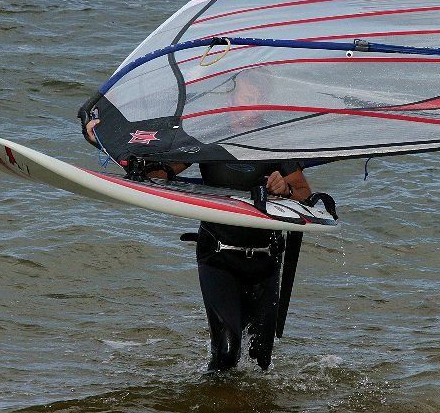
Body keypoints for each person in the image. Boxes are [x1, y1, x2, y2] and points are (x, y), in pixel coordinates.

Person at [83, 118, 312, 372]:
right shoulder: (209, 134)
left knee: (260, 362)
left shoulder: (273, 138)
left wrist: (286, 188)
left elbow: (304, 193)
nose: (251, 97)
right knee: (226, 354)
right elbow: (154, 174)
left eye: (257, 91)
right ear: (232, 95)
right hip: (218, 255)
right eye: (246, 90)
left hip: (265, 260)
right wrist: (105, 142)